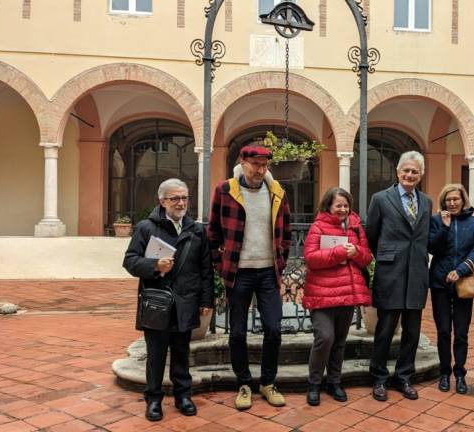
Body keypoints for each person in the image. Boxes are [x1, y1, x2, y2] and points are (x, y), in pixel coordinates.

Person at [207, 145, 292, 410]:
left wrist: (280, 261)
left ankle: (268, 382)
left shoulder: (277, 191)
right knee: (238, 333)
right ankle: (243, 383)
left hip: (268, 272)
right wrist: (222, 266)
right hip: (238, 273)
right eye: (256, 164)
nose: (261, 170)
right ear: (242, 163)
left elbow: (286, 231)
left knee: (274, 329)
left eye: (265, 165)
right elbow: (213, 232)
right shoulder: (225, 190)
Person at [123, 178, 213, 422]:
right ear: (162, 201)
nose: (181, 202)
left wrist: (206, 301)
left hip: (186, 301)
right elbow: (130, 261)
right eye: (175, 198)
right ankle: (153, 399)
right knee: (156, 354)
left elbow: (206, 269)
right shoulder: (146, 228)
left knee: (182, 352)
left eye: (184, 198)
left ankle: (183, 395)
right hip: (157, 302)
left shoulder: (196, 230)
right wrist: (154, 265)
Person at [366, 150, 433, 401]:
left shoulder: (426, 201)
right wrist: (387, 257)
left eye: (415, 171)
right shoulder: (380, 199)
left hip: (416, 273)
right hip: (390, 273)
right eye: (406, 170)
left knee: (412, 331)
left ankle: (404, 377)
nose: (410, 175)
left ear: (421, 174)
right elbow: (371, 235)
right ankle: (379, 378)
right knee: (385, 329)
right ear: (398, 172)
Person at [302, 187, 373, 406]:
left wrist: (356, 253)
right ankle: (314, 383)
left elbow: (367, 258)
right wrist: (341, 252)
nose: (342, 209)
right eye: (338, 205)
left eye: (346, 205)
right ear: (328, 206)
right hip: (322, 293)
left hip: (347, 293)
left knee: (340, 342)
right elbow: (311, 258)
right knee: (325, 337)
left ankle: (334, 382)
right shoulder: (318, 226)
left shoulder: (356, 228)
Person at [428, 184, 474, 394]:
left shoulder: (473, 223)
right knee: (443, 331)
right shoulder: (436, 220)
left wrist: (460, 270)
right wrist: (444, 226)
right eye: (448, 200)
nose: (452, 203)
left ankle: (460, 374)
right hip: (439, 282)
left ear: (463, 200)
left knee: (461, 332)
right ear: (444, 201)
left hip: (464, 283)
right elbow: (431, 247)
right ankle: (444, 372)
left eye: (456, 199)